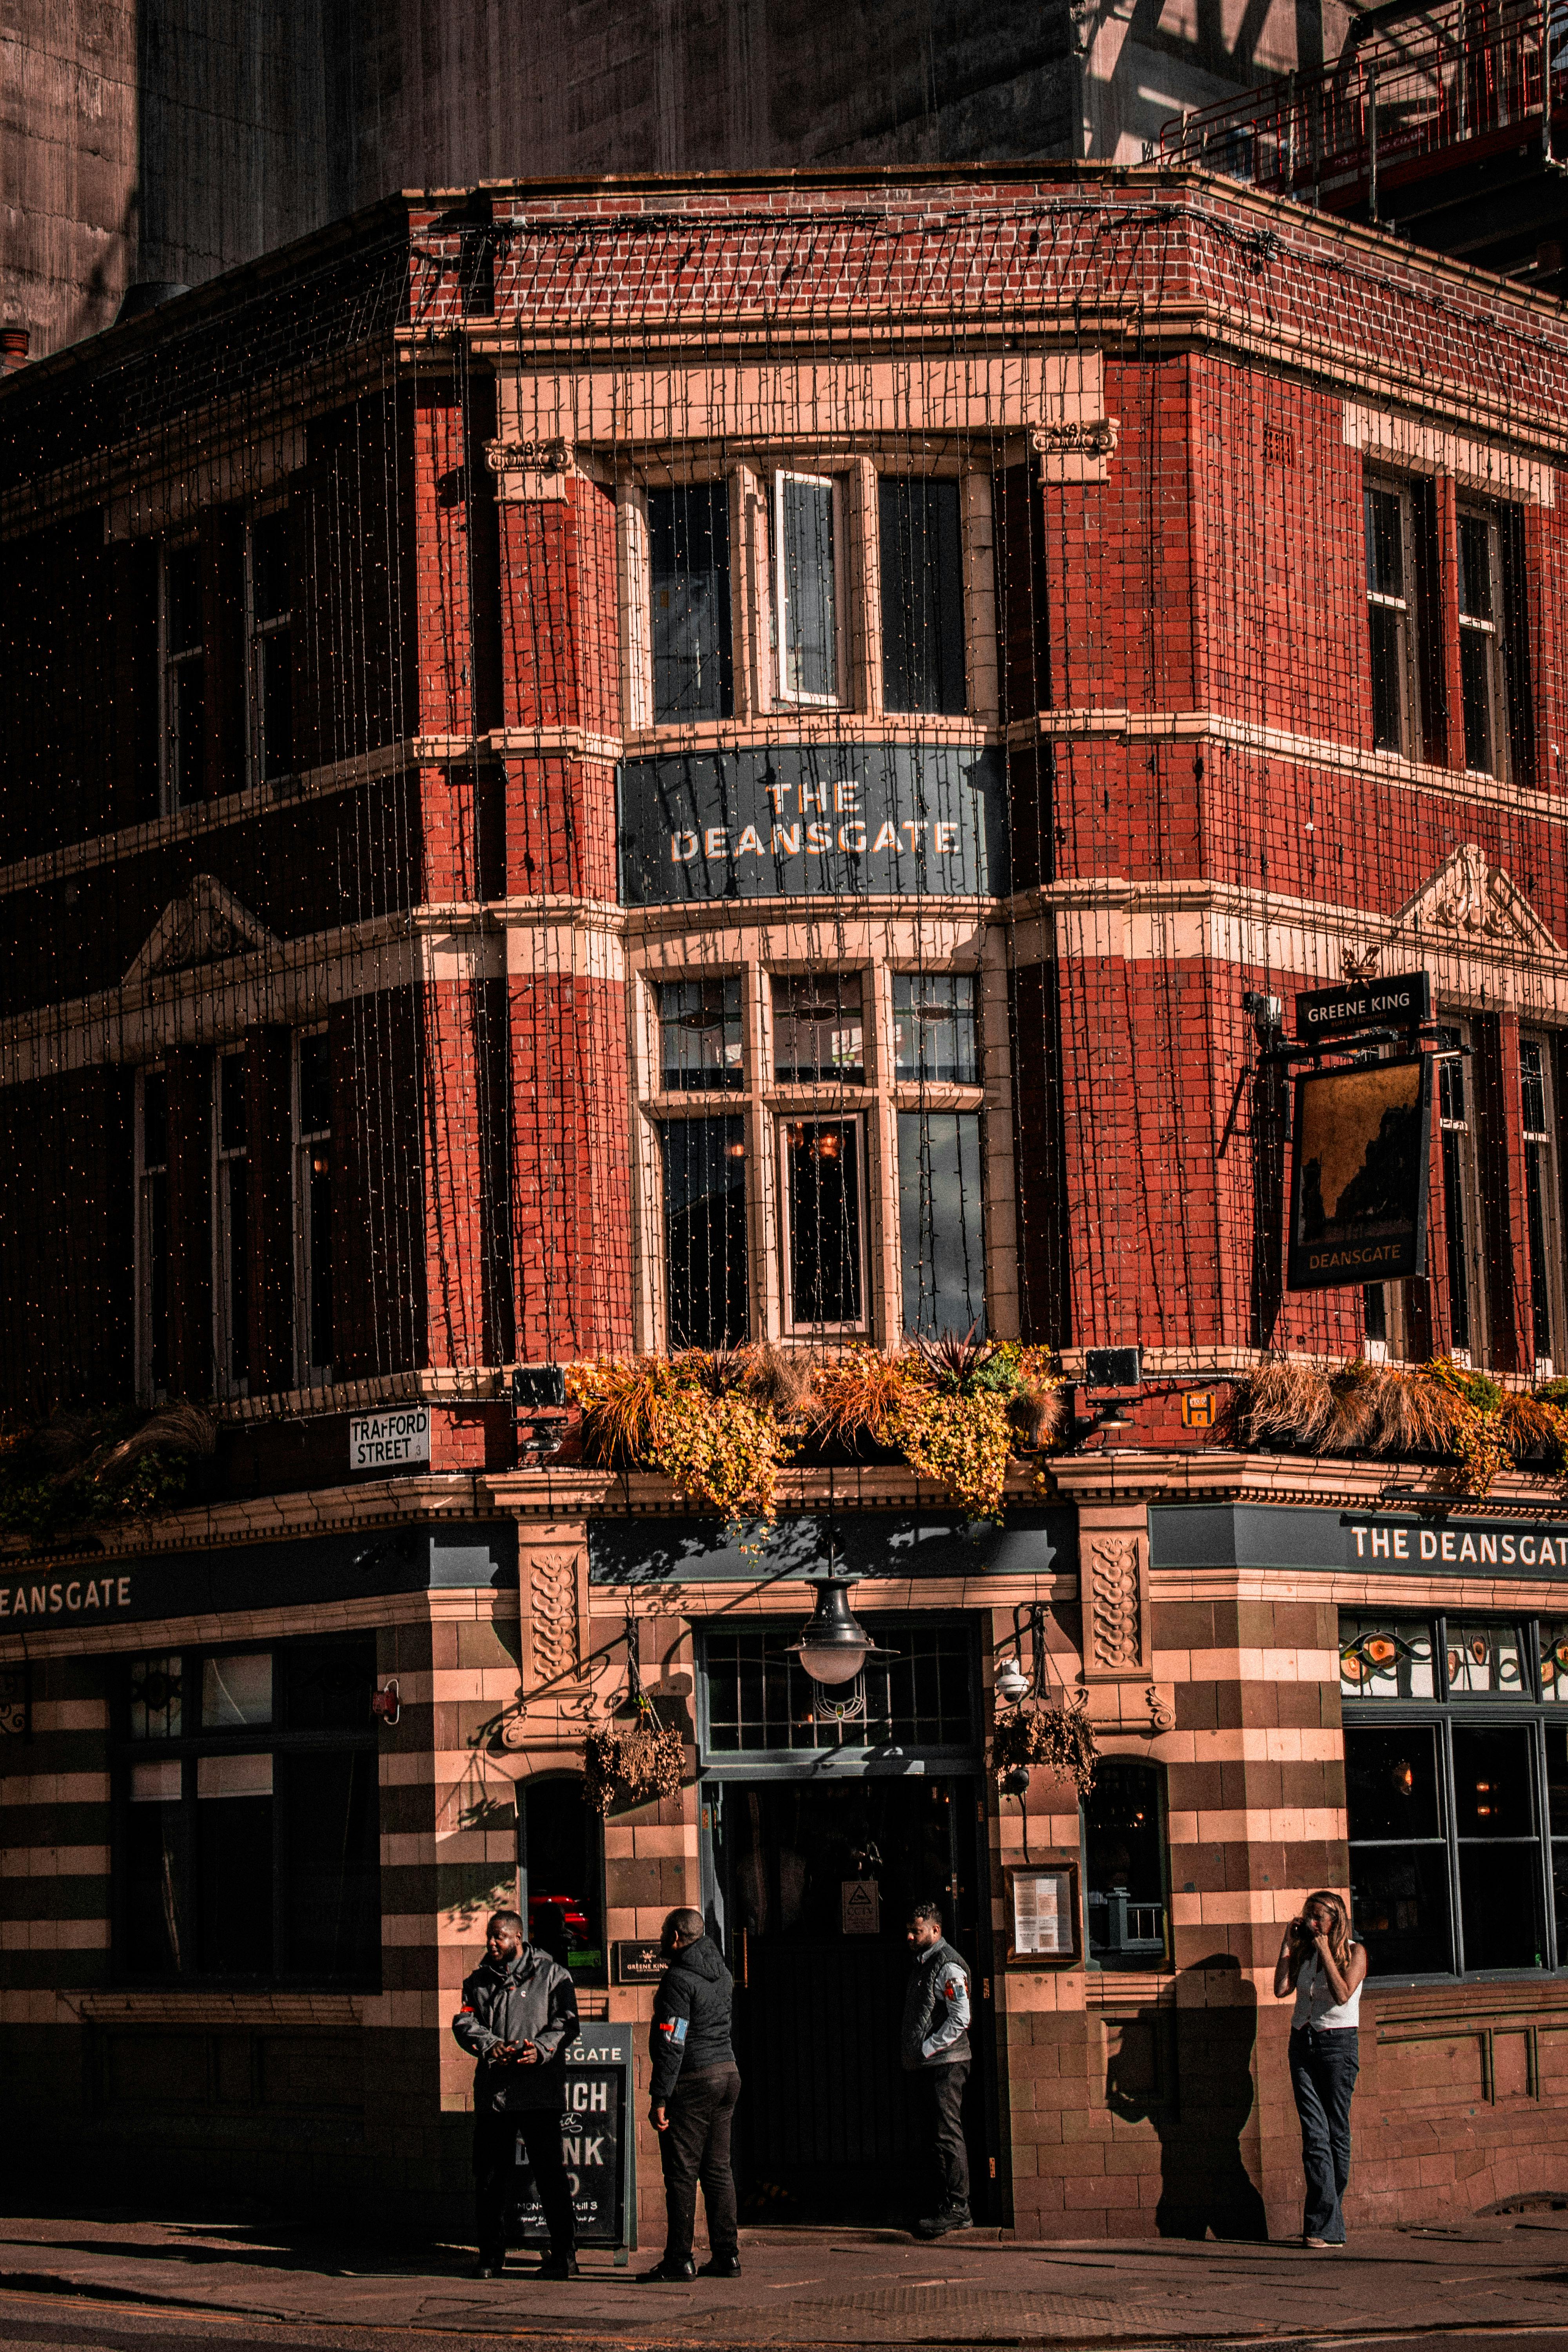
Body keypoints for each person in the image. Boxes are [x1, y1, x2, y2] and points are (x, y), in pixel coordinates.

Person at [453, 1908, 581, 2279]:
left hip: (539, 2093)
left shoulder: (554, 1975)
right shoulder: (478, 1981)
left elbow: (567, 2023)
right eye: (490, 1937)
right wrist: (490, 2045)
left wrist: (539, 2050)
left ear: (518, 1938)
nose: (492, 1943)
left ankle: (564, 2255)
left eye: (500, 1937)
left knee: (550, 2177)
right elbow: (464, 2021)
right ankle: (491, 2256)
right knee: (490, 2178)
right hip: (496, 2096)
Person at [639, 1906, 742, 2283]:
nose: (660, 1939)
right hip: (727, 2074)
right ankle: (727, 2256)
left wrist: (660, 2096)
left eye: (663, 1933)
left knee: (681, 2173)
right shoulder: (723, 1973)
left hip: (695, 2080)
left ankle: (679, 2259)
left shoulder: (678, 1980)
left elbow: (673, 2040)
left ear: (676, 1938)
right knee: (718, 2170)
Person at [1273, 1887, 1368, 2249]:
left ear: (1335, 1921)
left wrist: (1325, 1948)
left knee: (1336, 2133)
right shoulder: (1305, 1952)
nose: (1311, 1922)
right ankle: (1325, 2226)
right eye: (1307, 1915)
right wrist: (1288, 1945)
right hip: (1302, 2042)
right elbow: (1281, 1989)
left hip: (1337, 2046)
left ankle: (1327, 2223)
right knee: (1314, 2136)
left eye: (1318, 1917)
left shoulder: (1356, 1953)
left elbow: (1343, 1994)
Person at [901, 1897, 973, 2239]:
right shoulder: (925, 1962)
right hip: (933, 2064)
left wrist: (927, 2049)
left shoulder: (948, 1966)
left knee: (947, 2134)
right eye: (909, 1931)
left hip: (947, 2063)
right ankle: (946, 2205)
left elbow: (961, 2018)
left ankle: (958, 2208)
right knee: (937, 2135)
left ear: (936, 1930)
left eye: (916, 1932)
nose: (910, 1937)